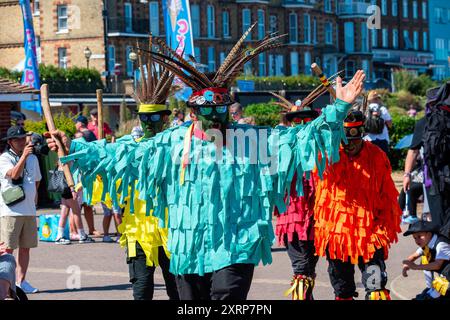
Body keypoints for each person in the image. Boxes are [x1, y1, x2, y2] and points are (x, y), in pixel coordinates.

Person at [49, 32, 365, 300]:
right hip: (188, 248)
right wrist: (73, 147)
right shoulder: (171, 142)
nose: (215, 119)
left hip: (236, 244)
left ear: (228, 109)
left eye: (220, 111)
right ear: (195, 112)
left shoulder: (251, 140)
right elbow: (123, 156)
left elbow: (299, 140)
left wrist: (339, 107)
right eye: (208, 112)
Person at [313, 110, 401, 300]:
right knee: (342, 290)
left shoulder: (377, 156)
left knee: (375, 286)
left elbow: (387, 196)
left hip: (370, 236)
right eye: (345, 140)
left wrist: (382, 229)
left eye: (355, 139)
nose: (350, 144)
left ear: (362, 135)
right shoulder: (328, 155)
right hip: (338, 238)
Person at [273, 100, 320, 300]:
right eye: (296, 120)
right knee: (301, 267)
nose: (301, 123)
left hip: (317, 217)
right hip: (291, 216)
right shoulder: (282, 144)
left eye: (306, 119)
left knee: (308, 267)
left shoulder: (323, 145)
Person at [0, 126, 41, 294]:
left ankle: (21, 281)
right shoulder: (4, 158)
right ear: (10, 142)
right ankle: (6, 284)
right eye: (18, 139)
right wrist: (24, 156)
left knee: (26, 247)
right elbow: (14, 175)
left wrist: (35, 197)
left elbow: (37, 180)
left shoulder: (34, 159)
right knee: (7, 249)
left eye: (23, 138)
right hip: (11, 211)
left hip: (29, 210)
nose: (22, 141)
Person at [402, 220, 450, 300]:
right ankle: (429, 288)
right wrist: (406, 265)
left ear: (429, 234)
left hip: (447, 278)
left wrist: (415, 266)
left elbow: (437, 265)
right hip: (445, 277)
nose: (417, 241)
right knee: (426, 295)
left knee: (431, 297)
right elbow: (414, 255)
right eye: (414, 238)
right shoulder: (427, 242)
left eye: (419, 236)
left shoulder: (441, 244)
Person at [364, 90, 392, 155]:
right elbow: (390, 124)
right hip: (382, 140)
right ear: (377, 99)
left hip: (368, 140)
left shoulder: (365, 110)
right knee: (382, 163)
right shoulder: (382, 109)